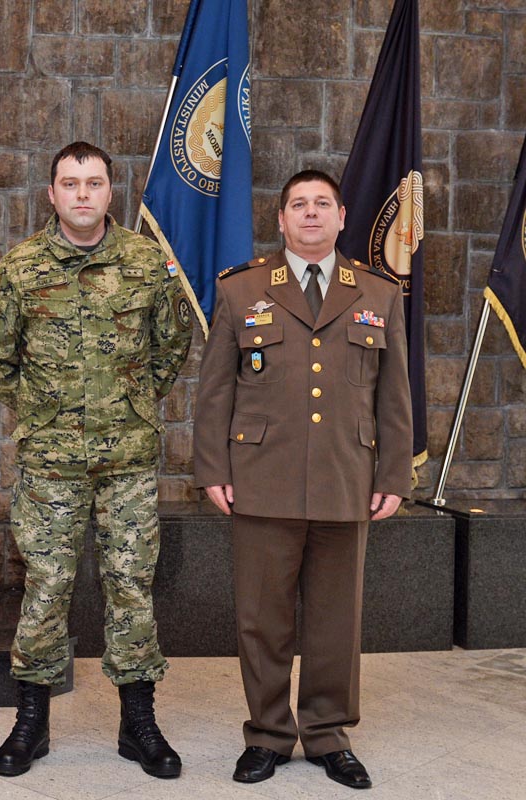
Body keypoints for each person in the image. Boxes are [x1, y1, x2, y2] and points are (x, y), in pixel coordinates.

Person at [0, 141, 193, 779]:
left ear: (109, 191)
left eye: (93, 183)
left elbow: (172, 344)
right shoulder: (20, 267)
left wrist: (133, 400)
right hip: (50, 462)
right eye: (70, 184)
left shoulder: (148, 263)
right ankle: (31, 722)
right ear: (52, 194)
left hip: (127, 458)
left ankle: (138, 723)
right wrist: (43, 410)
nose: (82, 194)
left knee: (131, 586)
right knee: (46, 587)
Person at [192, 169, 412, 790]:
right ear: (281, 219)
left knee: (336, 619)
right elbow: (215, 389)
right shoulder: (241, 289)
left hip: (347, 475)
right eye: (298, 205)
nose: (310, 213)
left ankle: (327, 734)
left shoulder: (378, 293)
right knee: (262, 619)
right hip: (262, 477)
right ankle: (266, 734)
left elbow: (394, 396)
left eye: (322, 204)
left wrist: (394, 472)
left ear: (342, 217)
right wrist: (212, 468)